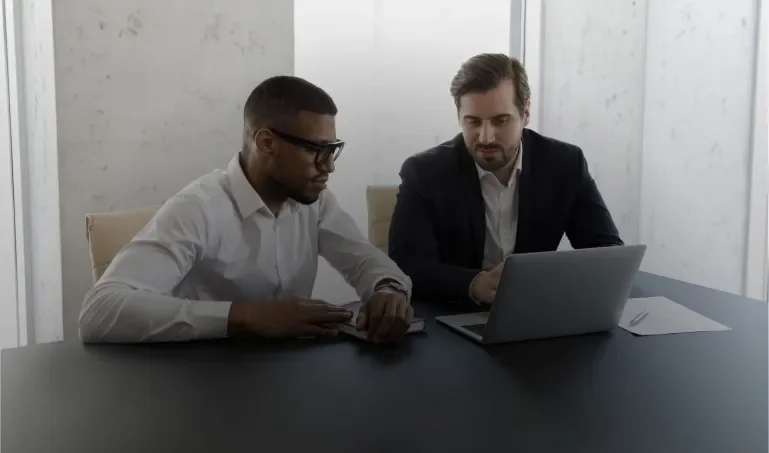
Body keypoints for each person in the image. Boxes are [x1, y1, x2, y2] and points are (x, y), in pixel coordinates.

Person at [80, 76, 413, 344]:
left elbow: (365, 261)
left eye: (333, 150)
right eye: (316, 150)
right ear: (267, 143)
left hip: (285, 378)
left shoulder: (315, 200)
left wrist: (388, 290)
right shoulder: (198, 209)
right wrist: (249, 317)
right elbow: (100, 310)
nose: (329, 167)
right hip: (201, 383)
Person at [388, 53, 623, 306]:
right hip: (450, 313)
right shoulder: (424, 172)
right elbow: (407, 266)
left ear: (525, 112)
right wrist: (473, 284)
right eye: (473, 122)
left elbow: (607, 252)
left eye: (501, 121)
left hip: (534, 311)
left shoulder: (565, 164)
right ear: (459, 117)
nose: (486, 137)